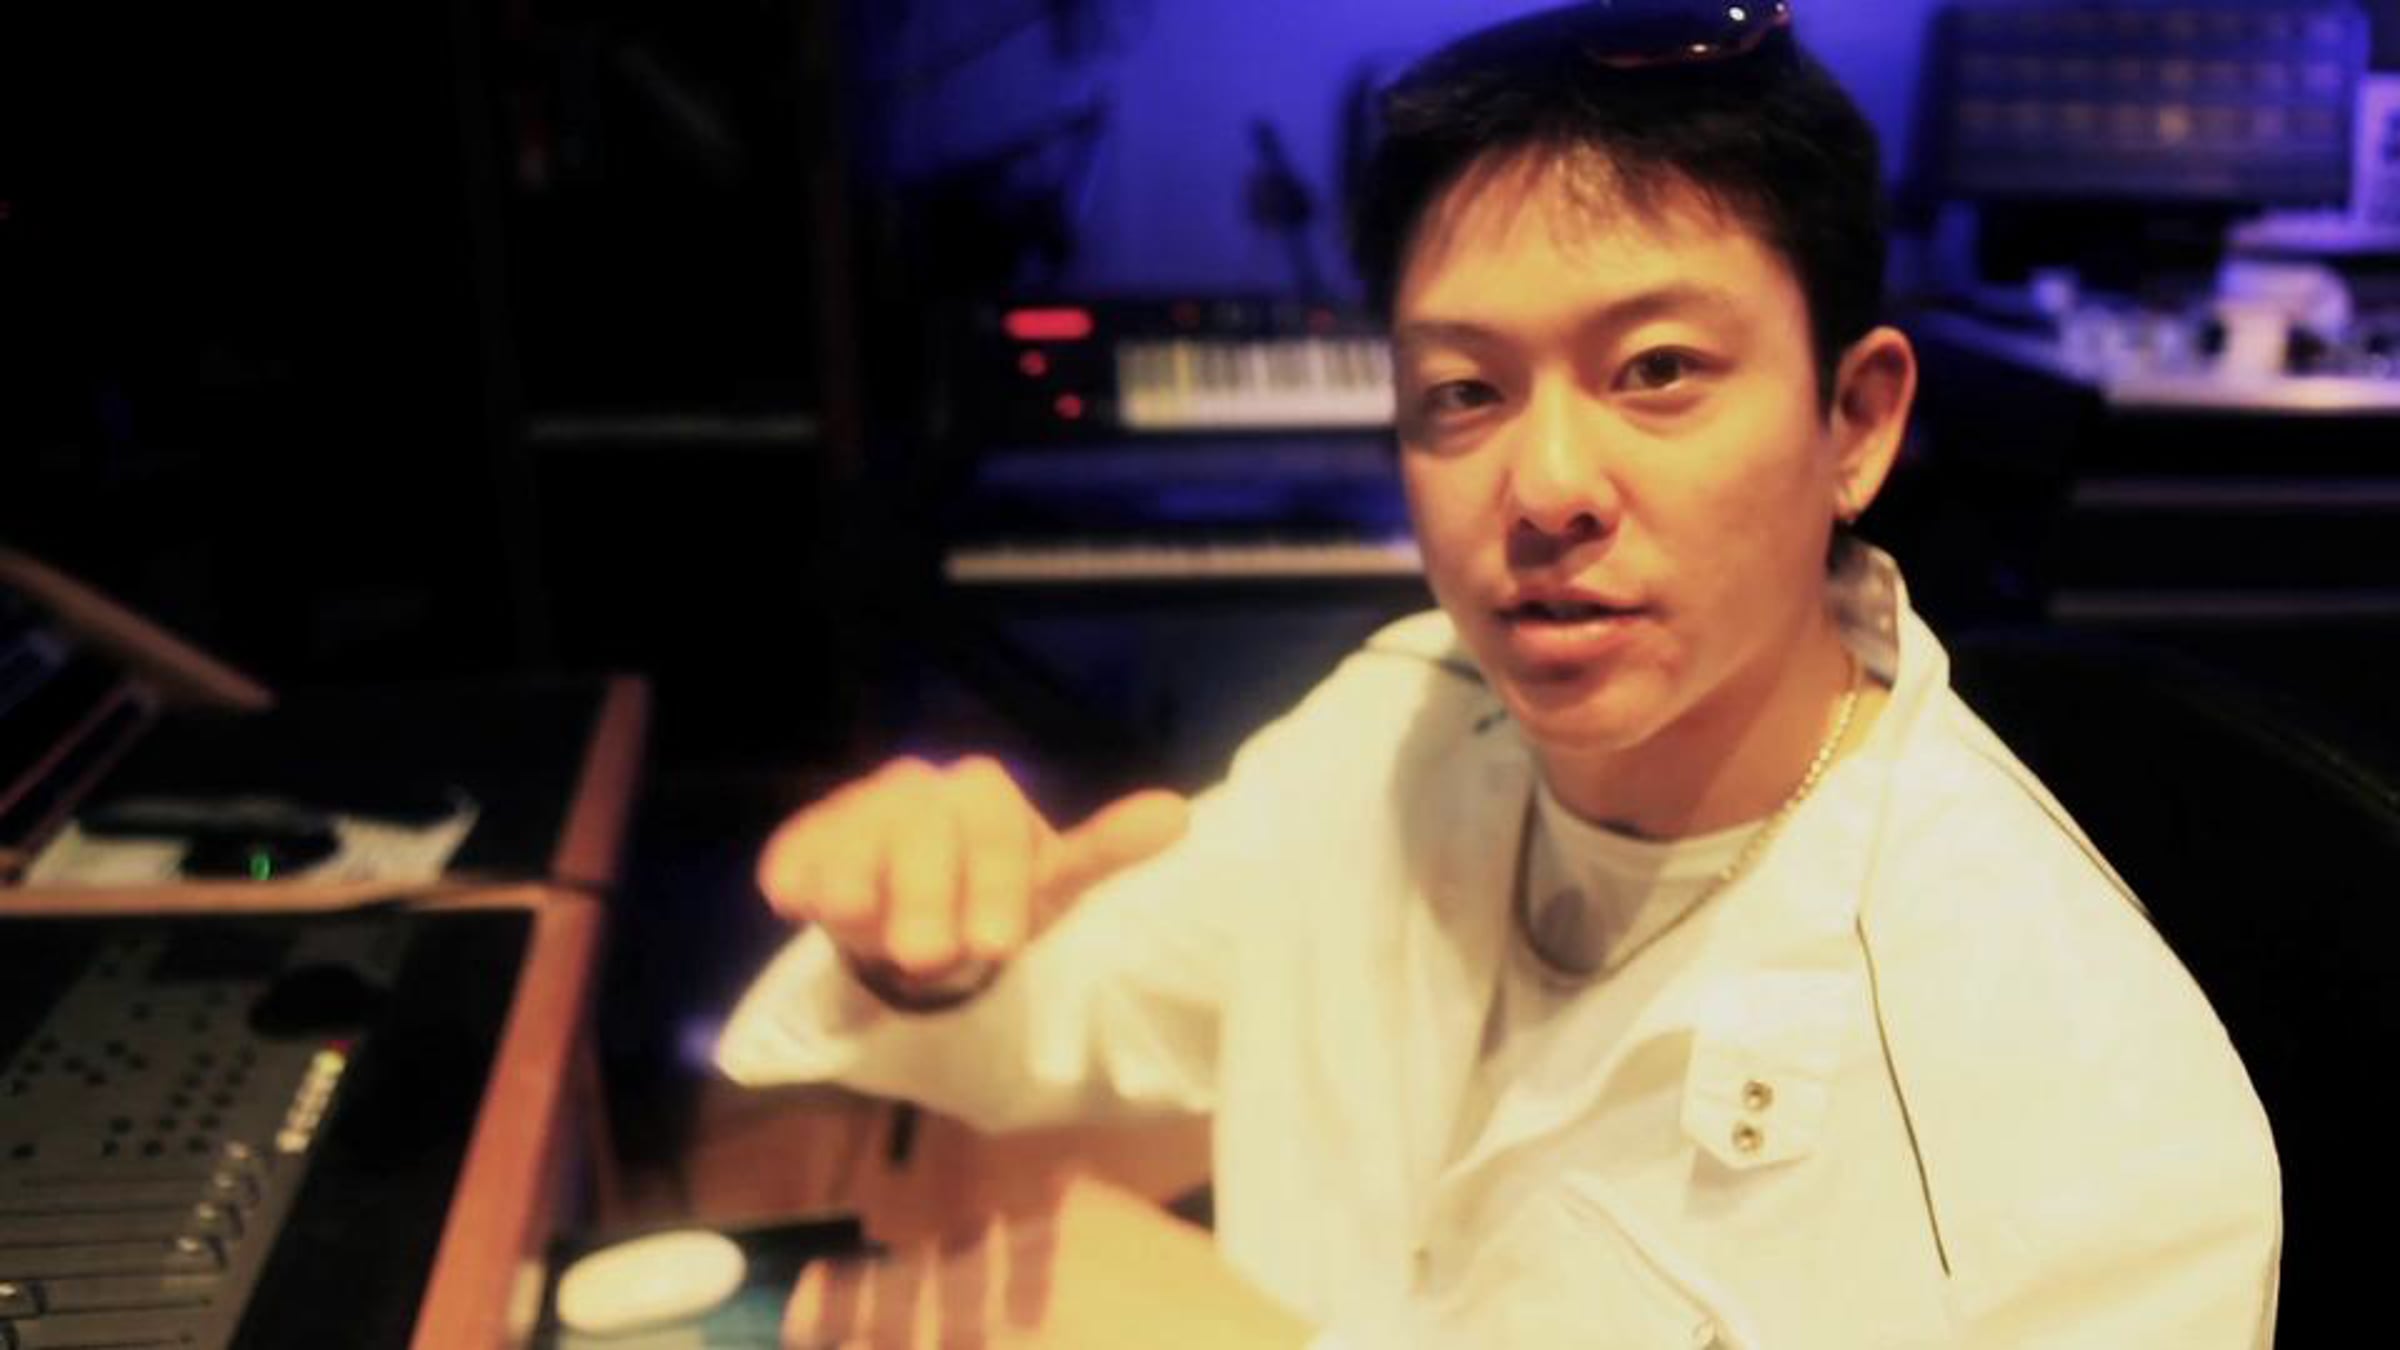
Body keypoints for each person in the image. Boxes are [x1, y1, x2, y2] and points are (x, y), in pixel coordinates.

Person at [718, 2, 2281, 1343]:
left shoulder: (2097, 1119)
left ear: (1855, 423)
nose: (1543, 488)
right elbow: (1090, 1004)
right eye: (1464, 392)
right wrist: (932, 925)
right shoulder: (1397, 724)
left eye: (1656, 369)